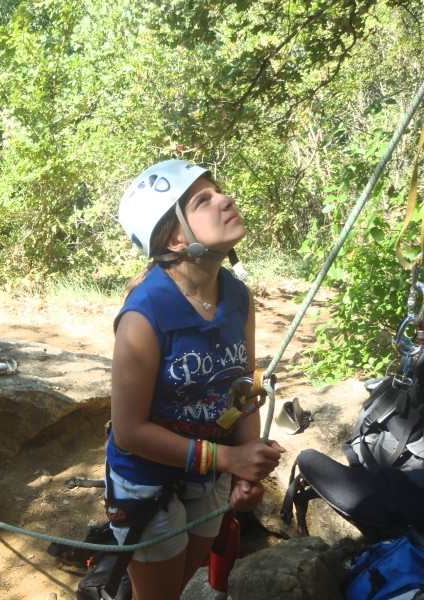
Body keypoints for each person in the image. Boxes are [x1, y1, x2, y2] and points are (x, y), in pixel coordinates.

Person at [107, 159, 285, 599]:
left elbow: (242, 387)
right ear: (175, 237)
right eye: (203, 200)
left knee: (179, 581)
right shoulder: (144, 317)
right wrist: (228, 461)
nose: (226, 199)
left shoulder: (238, 297)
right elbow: (129, 433)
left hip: (209, 471)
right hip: (148, 478)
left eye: (218, 191)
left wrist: (249, 460)